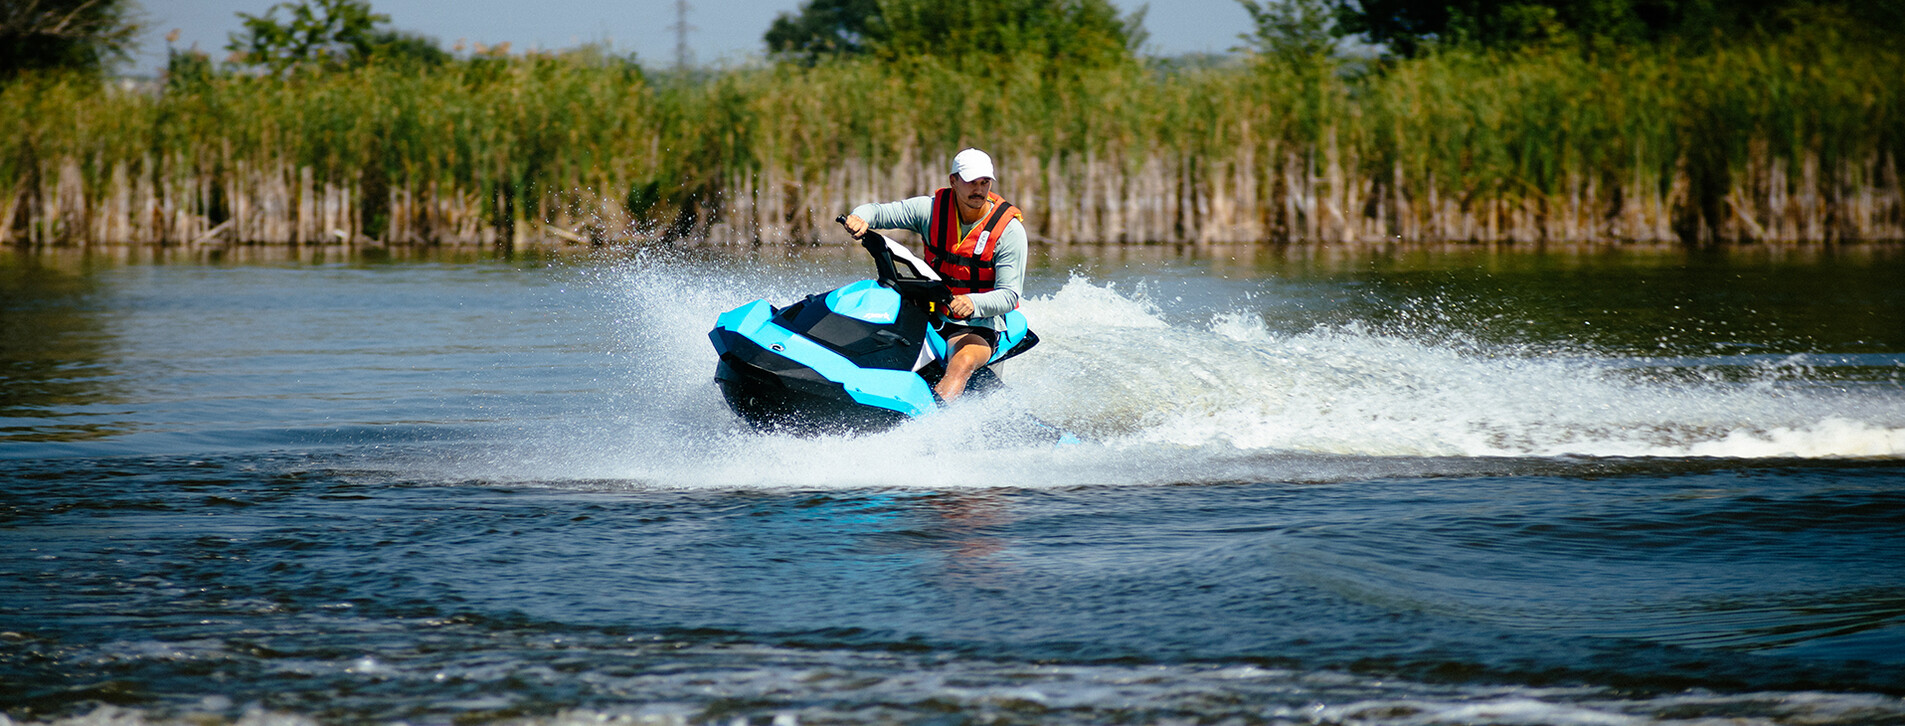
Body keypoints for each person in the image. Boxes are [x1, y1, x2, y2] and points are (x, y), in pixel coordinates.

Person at [841, 147, 1028, 403]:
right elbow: (876, 211)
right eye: (971, 182)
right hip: (928, 312)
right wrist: (860, 218)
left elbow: (1009, 296)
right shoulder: (929, 210)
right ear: (953, 181)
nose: (979, 189)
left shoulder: (1009, 231)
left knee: (962, 362)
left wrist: (973, 303)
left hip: (977, 325)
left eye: (985, 182)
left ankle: (931, 426)